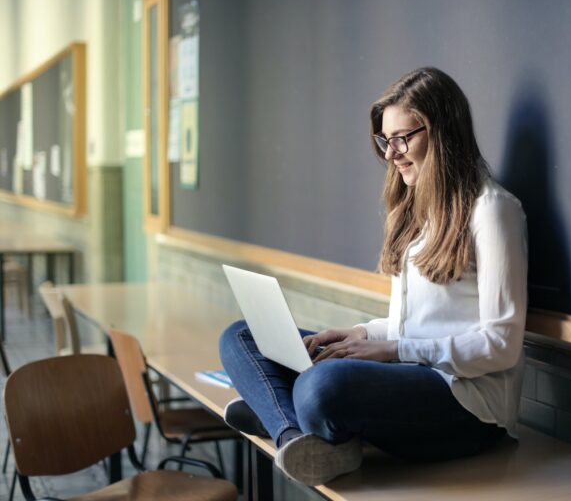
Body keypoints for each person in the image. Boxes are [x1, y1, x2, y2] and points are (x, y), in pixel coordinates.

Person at [219, 66, 528, 486]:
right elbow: (412, 325)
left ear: (443, 132)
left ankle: (283, 413)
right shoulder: (416, 213)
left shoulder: (493, 210)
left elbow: (502, 346)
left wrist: (393, 351)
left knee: (323, 385)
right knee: (241, 335)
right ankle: (298, 437)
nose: (390, 153)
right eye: (385, 140)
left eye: (403, 138)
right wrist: (360, 334)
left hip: (468, 406)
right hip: (410, 374)